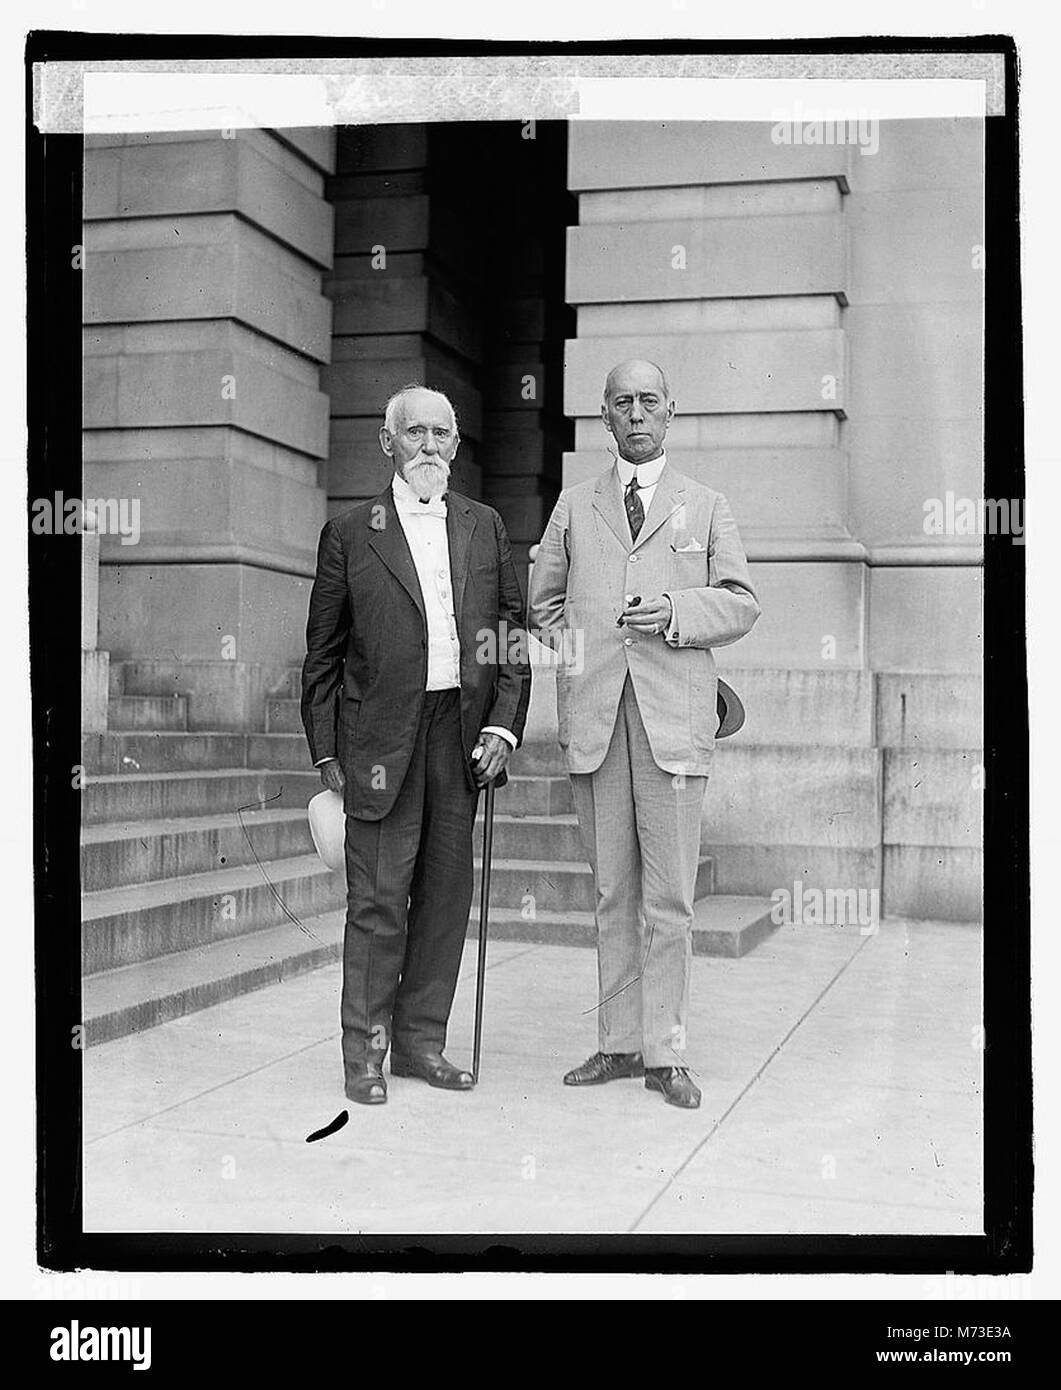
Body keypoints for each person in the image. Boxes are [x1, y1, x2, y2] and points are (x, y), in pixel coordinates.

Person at [528, 360, 760, 1108]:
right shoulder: (571, 506)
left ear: (670, 413)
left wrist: (674, 614)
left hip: (673, 720)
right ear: (603, 416)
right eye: (621, 403)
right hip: (597, 719)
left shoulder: (706, 505)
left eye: (648, 402)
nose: (635, 414)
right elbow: (543, 605)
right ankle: (616, 1044)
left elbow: (740, 603)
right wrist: (588, 649)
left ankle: (666, 1053)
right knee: (609, 890)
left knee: (669, 898)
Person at [301, 385, 531, 1105]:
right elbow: (322, 656)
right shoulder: (349, 532)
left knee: (443, 897)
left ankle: (420, 1043)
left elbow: (511, 634)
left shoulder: (484, 525)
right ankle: (363, 1055)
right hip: (377, 741)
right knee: (377, 901)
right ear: (387, 443)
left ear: (456, 447)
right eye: (415, 433)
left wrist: (503, 723)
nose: (429, 446)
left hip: (460, 738)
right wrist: (326, 752)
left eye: (441, 434)